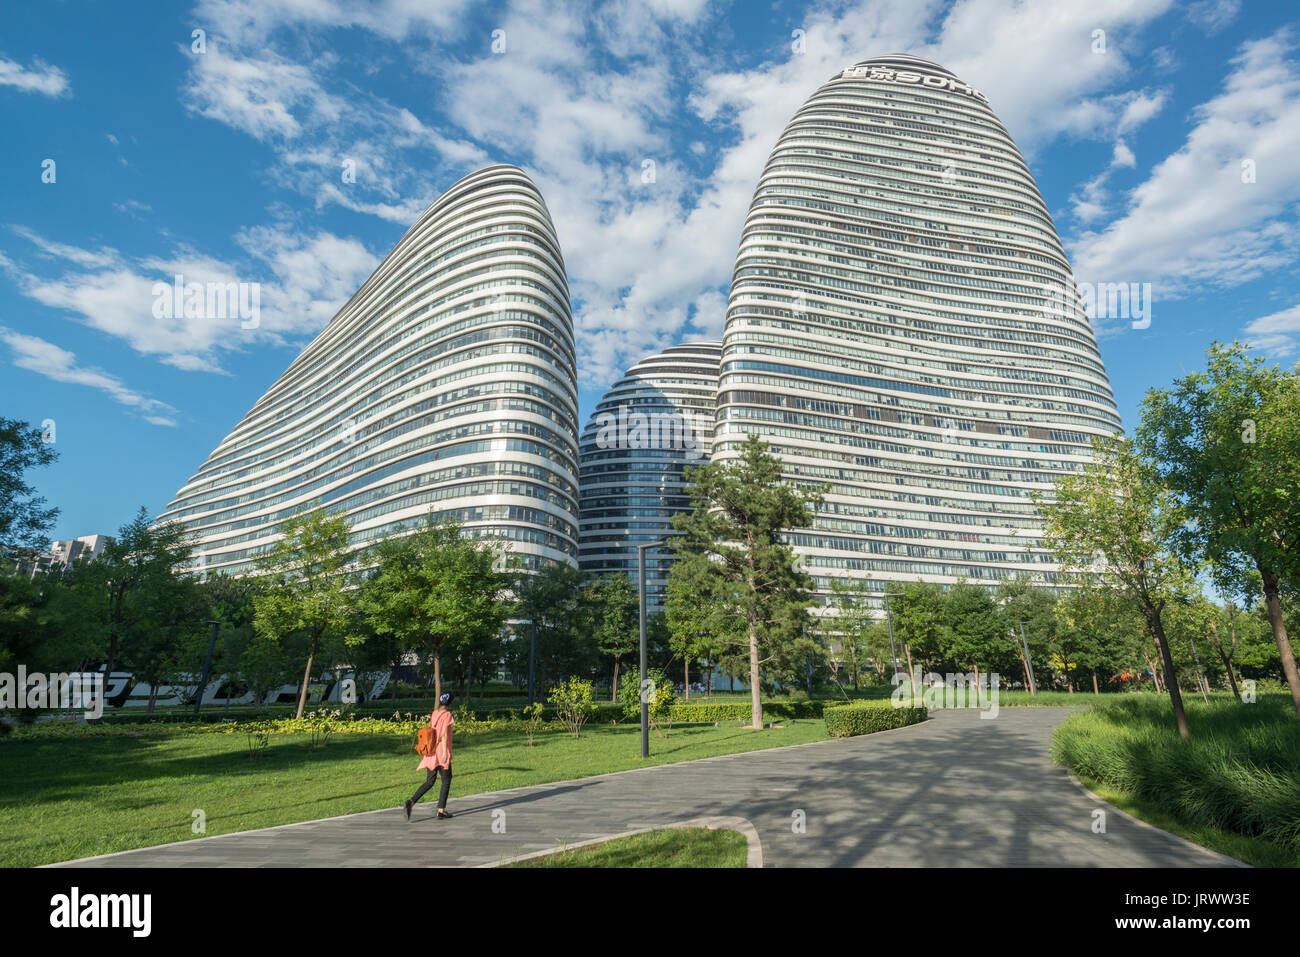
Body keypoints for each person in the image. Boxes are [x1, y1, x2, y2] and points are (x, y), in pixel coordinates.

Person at [404, 691, 455, 821]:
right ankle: (441, 810)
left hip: (431, 752)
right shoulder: (447, 715)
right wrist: (444, 754)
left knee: (430, 781)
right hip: (441, 752)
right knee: (447, 779)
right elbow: (443, 735)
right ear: (450, 702)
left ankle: (411, 802)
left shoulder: (435, 713)